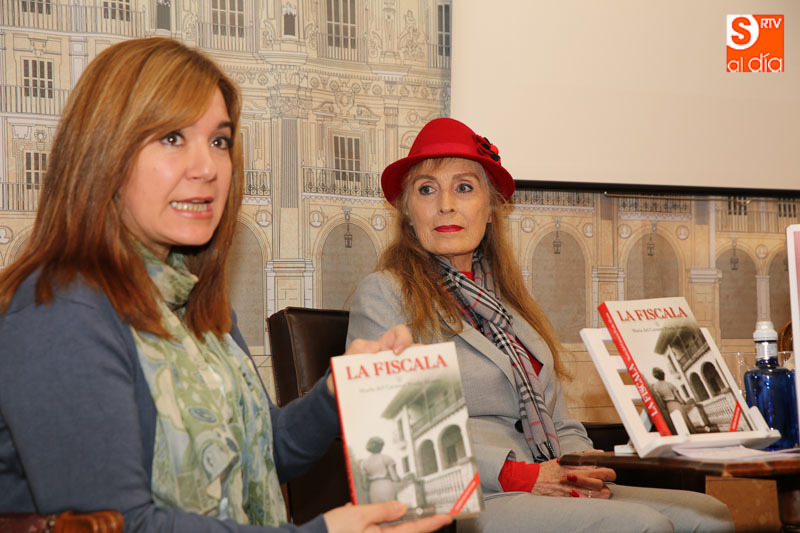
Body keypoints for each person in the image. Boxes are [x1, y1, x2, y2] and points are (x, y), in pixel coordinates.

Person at [0, 37, 452, 533]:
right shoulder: (56, 310)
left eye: (219, 141)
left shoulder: (193, 298)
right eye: (172, 138)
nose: (207, 168)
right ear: (103, 152)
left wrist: (340, 390)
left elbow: (265, 449)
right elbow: (123, 524)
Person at [346, 117, 735, 532]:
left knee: (709, 517)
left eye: (464, 187)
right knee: (645, 526)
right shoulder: (385, 293)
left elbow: (560, 421)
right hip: (464, 498)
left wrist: (580, 467)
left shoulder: (509, 305)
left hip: (544, 479)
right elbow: (396, 435)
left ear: (491, 208)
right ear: (408, 212)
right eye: (426, 189)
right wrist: (524, 476)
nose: (446, 204)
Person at [361, 437, 401, 503]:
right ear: (381, 447)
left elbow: (365, 485)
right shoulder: (387, 458)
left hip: (374, 488)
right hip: (387, 486)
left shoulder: (364, 462)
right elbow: (395, 478)